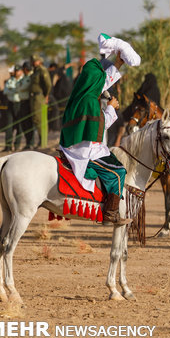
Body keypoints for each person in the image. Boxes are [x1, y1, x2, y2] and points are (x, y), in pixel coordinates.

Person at [60, 33, 141, 224]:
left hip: (77, 144)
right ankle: (111, 214)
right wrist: (111, 108)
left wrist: (119, 63)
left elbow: (101, 81)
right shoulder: (89, 101)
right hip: (84, 150)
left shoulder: (82, 92)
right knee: (119, 171)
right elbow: (100, 124)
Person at [29, 55, 52, 148]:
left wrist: (46, 95)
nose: (34, 62)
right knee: (36, 118)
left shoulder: (42, 70)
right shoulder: (35, 70)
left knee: (39, 119)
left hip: (39, 96)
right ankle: (41, 140)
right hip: (34, 97)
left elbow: (48, 84)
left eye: (36, 60)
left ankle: (43, 141)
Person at [2, 65, 24, 151]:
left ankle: (17, 145)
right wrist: (14, 90)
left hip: (20, 104)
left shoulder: (23, 80)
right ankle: (7, 146)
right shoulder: (10, 80)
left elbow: (20, 91)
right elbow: (5, 91)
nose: (16, 72)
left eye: (17, 71)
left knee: (19, 126)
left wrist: (12, 90)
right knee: (9, 126)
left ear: (21, 71)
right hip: (11, 104)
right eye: (15, 71)